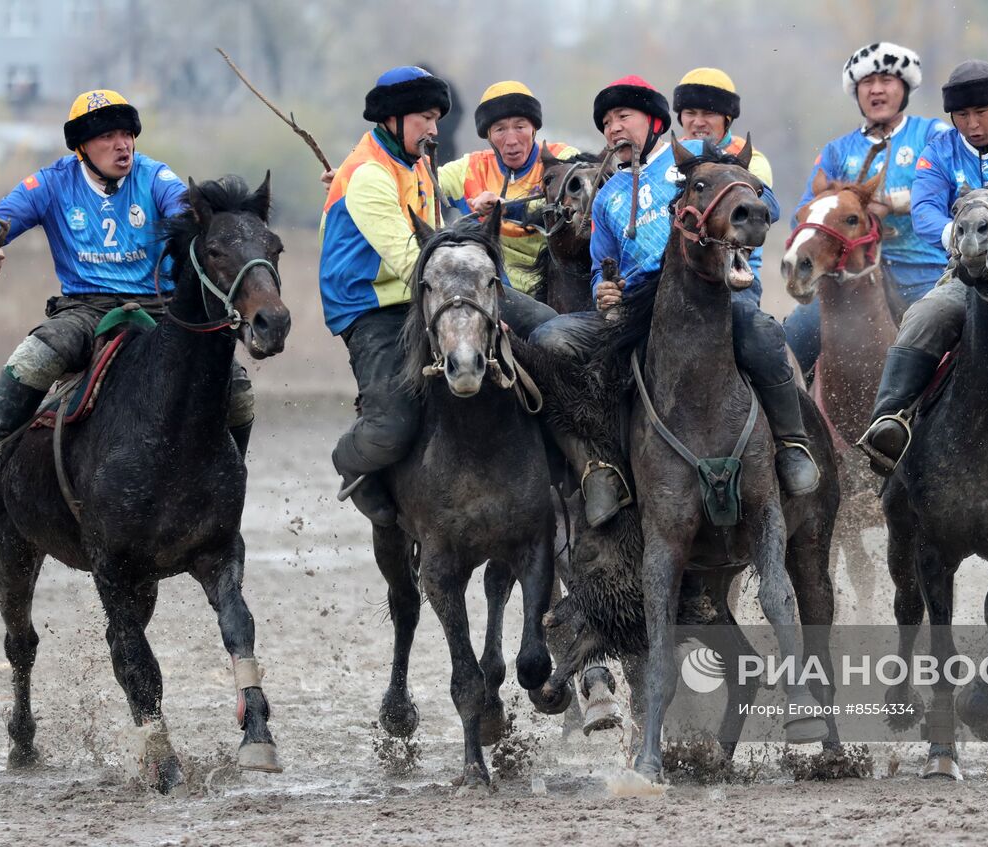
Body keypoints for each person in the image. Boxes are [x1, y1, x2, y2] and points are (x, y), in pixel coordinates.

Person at [529, 75, 815, 528]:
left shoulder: (694, 159)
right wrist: (605, 291)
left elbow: (765, 206)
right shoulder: (607, 197)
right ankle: (600, 468)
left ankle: (792, 445)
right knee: (548, 340)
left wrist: (737, 203)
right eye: (606, 123)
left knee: (760, 331)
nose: (613, 129)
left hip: (710, 292)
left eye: (624, 117)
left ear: (655, 122)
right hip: (640, 306)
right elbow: (604, 266)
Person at [0, 89, 255, 489]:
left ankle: (230, 474)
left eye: (127, 134)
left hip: (161, 310)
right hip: (86, 309)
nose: (122, 145)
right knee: (36, 355)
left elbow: (184, 206)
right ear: (82, 146)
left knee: (236, 384)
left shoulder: (155, 176)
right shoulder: (50, 182)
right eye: (107, 136)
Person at [320, 66, 556, 525]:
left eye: (435, 118)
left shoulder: (419, 165)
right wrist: (475, 315)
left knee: (551, 327)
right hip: (373, 309)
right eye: (424, 118)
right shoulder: (369, 175)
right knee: (393, 427)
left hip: (431, 292)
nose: (434, 128)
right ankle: (350, 460)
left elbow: (437, 240)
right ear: (392, 119)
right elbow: (414, 262)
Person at [860, 61, 988, 479]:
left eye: (981, 112)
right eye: (962, 115)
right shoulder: (939, 152)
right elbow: (925, 210)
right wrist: (961, 236)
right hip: (965, 278)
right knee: (925, 315)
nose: (972, 124)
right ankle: (889, 421)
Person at [783, 41, 950, 374]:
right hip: (849, 279)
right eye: (867, 83)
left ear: (904, 88)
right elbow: (800, 215)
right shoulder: (837, 151)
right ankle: (789, 421)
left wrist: (896, 203)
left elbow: (956, 190)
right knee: (793, 336)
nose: (876, 90)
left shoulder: (934, 135)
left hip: (923, 273)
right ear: (856, 92)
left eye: (886, 81)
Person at [437, 81, 580, 293]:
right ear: (488, 136)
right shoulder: (468, 169)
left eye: (520, 127)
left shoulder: (563, 160)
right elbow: (419, 182)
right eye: (500, 129)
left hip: (557, 290)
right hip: (494, 293)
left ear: (534, 129)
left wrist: (507, 209)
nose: (511, 140)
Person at [672, 67, 773, 186]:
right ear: (680, 117)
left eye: (709, 113)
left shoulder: (752, 162)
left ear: (727, 119)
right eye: (690, 113)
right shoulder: (666, 155)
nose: (698, 122)